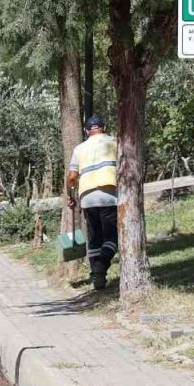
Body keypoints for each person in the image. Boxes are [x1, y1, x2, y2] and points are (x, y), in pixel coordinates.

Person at [66, 115, 119, 290]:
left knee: (95, 237)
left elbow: (72, 177)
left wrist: (70, 196)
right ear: (103, 127)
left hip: (87, 198)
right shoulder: (114, 142)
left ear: (87, 131)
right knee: (112, 236)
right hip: (109, 193)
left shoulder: (79, 149)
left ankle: (98, 276)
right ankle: (101, 265)